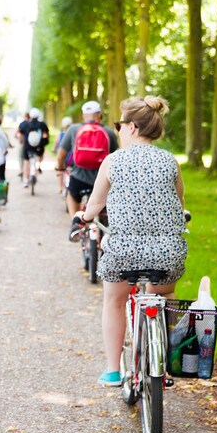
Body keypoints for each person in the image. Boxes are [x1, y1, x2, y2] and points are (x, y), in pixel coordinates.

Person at [70, 96, 187, 387]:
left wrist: (82, 217)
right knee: (165, 296)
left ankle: (112, 370)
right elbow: (180, 202)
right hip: (167, 252)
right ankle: (168, 356)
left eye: (119, 125)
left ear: (133, 127)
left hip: (124, 252)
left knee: (114, 300)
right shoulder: (170, 160)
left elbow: (94, 207)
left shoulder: (112, 161)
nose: (118, 130)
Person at [55, 101, 118, 226]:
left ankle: (75, 224)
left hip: (78, 178)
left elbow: (61, 154)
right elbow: (116, 157)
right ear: (99, 115)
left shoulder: (73, 129)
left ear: (83, 115)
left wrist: (60, 167)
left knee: (71, 195)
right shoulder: (109, 132)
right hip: (102, 180)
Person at [17, 107, 49, 188]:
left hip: (27, 147)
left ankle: (25, 180)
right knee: (40, 155)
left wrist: (21, 141)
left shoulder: (25, 124)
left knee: (26, 162)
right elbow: (46, 134)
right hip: (39, 147)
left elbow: (20, 134)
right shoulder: (42, 124)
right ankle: (39, 166)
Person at [53, 116, 74, 194]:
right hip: (73, 159)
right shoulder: (74, 133)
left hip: (63, 159)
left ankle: (60, 187)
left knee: (59, 169)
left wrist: (54, 149)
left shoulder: (60, 134)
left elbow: (55, 144)